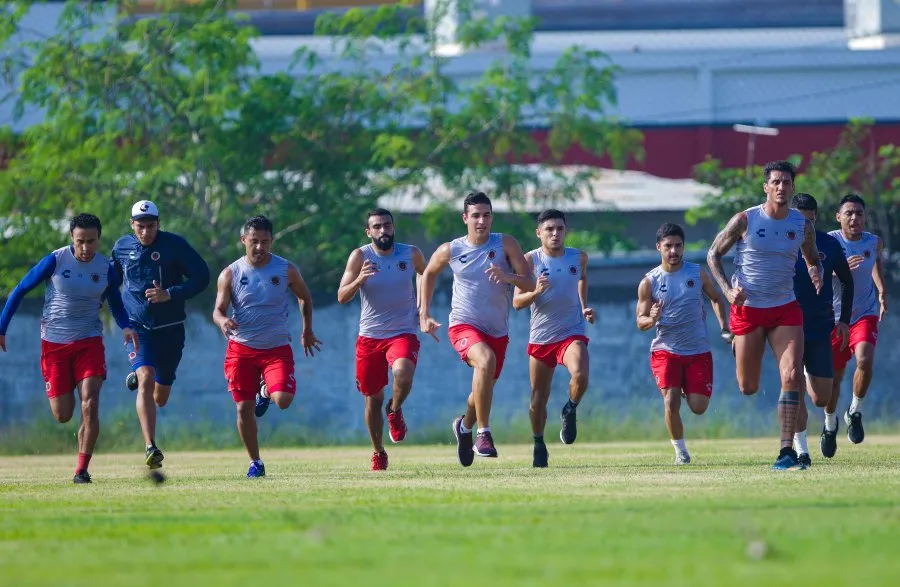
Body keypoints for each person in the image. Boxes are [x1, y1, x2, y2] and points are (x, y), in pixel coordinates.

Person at [0, 214, 138, 483]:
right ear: (72, 238)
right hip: (54, 345)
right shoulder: (55, 260)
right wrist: (2, 327)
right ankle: (77, 429)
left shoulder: (106, 268)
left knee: (90, 402)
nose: (86, 247)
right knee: (63, 414)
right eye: (80, 241)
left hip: (89, 341)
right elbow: (19, 290)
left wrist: (126, 326)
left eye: (91, 241)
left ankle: (81, 470)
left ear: (99, 239)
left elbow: (116, 303)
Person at [706, 160, 823, 471]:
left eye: (786, 182)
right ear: (766, 187)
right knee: (748, 386)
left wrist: (816, 270)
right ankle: (739, 343)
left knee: (792, 375)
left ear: (793, 187)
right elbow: (713, 254)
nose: (781, 187)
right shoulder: (745, 220)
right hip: (748, 310)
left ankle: (786, 451)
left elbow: (812, 258)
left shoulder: (802, 225)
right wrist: (728, 291)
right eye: (776, 182)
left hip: (785, 309)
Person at [419, 191, 535, 466]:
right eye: (476, 216)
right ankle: (484, 434)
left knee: (481, 389)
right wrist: (424, 314)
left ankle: (464, 426)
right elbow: (428, 272)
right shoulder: (451, 249)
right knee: (485, 360)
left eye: (486, 215)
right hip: (463, 324)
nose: (481, 221)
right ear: (465, 218)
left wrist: (508, 276)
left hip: (497, 330)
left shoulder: (506, 243)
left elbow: (530, 283)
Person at [212, 216, 322, 478]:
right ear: (244, 240)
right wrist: (223, 320)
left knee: (282, 400)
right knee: (243, 408)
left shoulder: (286, 269)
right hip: (241, 350)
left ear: (272, 241)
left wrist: (307, 330)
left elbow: (305, 298)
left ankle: (265, 392)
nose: (260, 247)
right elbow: (217, 310)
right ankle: (256, 462)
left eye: (265, 242)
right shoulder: (230, 273)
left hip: (276, 349)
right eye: (254, 241)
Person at [111, 200, 211, 470]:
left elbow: (202, 276)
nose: (146, 232)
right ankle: (150, 446)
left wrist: (171, 293)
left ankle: (143, 373)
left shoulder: (174, 245)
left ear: (159, 224)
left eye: (151, 226)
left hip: (171, 328)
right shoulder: (121, 248)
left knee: (160, 397)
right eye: (140, 226)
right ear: (132, 225)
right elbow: (111, 283)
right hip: (138, 327)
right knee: (146, 377)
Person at [337, 208, 427, 470]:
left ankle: (395, 410)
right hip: (370, 337)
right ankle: (378, 452)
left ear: (393, 227)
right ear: (369, 232)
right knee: (372, 399)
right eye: (377, 227)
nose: (383, 230)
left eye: (387, 225)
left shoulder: (410, 253)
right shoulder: (360, 256)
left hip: (403, 331)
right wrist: (360, 279)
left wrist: (423, 308)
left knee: (403, 373)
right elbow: (342, 296)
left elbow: (425, 273)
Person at [636, 223, 731, 465]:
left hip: (698, 350)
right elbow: (640, 321)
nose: (674, 251)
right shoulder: (649, 282)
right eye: (668, 246)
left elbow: (716, 298)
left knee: (698, 407)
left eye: (678, 246)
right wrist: (652, 318)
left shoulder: (697, 273)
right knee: (670, 400)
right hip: (665, 350)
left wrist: (724, 327)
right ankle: (680, 452)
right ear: (658, 247)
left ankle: (685, 386)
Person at [512, 209, 595, 468]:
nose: (555, 234)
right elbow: (517, 302)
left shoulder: (579, 257)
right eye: (549, 229)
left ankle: (570, 409)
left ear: (565, 230)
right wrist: (536, 292)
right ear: (539, 233)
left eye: (559, 228)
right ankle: (539, 443)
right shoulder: (530, 261)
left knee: (580, 375)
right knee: (538, 399)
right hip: (542, 337)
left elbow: (581, 278)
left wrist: (584, 306)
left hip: (571, 332)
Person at [789, 194, 853, 465]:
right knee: (793, 385)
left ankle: (808, 374)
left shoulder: (829, 244)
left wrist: (844, 320)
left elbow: (847, 281)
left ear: (815, 218)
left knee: (821, 397)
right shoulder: (780, 245)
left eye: (810, 222)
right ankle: (801, 449)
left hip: (820, 326)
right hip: (788, 326)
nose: (805, 228)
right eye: (800, 222)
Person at [824, 194, 888, 450]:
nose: (854, 218)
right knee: (834, 378)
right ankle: (830, 424)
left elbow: (875, 261)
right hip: (835, 318)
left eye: (859, 213)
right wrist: (837, 269)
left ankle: (855, 411)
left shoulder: (874, 242)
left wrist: (882, 291)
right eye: (848, 213)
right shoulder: (829, 242)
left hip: (864, 313)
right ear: (838, 217)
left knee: (864, 359)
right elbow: (813, 273)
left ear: (865, 217)